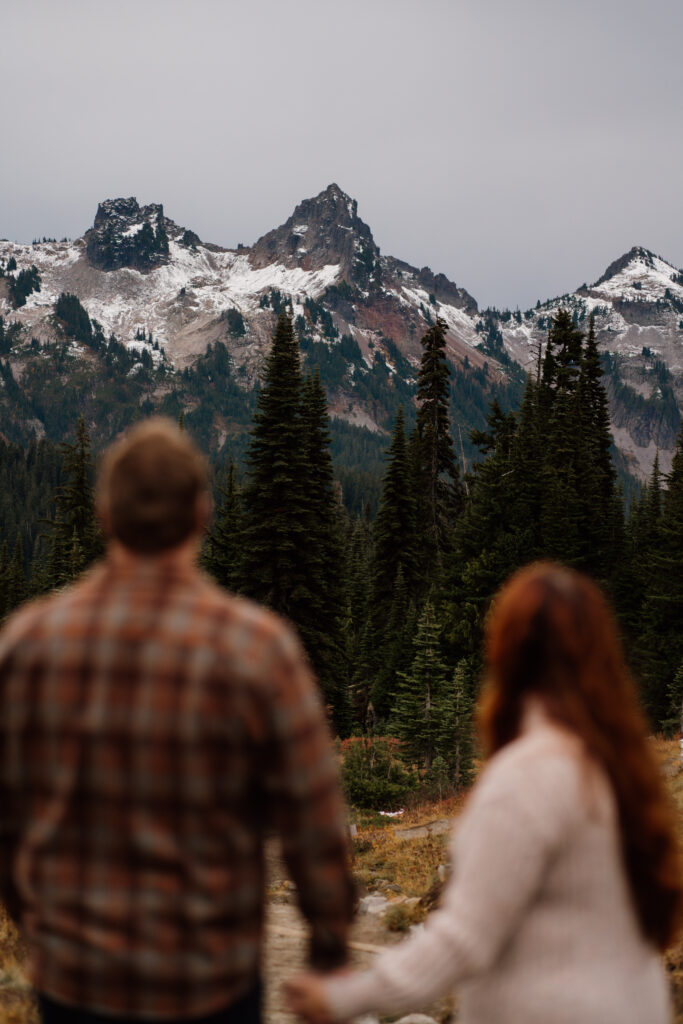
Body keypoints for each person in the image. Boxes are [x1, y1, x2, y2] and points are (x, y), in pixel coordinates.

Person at [0, 418, 354, 1023]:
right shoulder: (256, 649)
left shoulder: (28, 644)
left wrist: (29, 918)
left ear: (105, 515)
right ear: (202, 514)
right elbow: (312, 814)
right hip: (209, 981)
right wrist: (329, 939)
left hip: (76, 980)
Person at [286, 562, 683, 1024]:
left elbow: (462, 940)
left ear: (507, 654)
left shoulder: (528, 775)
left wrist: (344, 998)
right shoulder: (620, 768)